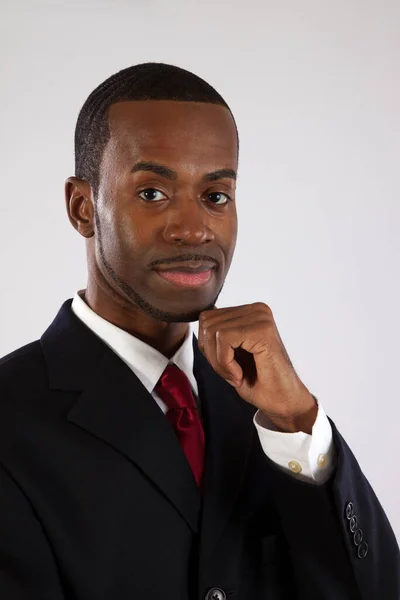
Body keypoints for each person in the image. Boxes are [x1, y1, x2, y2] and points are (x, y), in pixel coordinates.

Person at [0, 62, 398, 600]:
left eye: (215, 196)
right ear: (81, 206)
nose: (193, 228)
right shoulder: (12, 416)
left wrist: (298, 420)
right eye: (152, 193)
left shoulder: (266, 408)